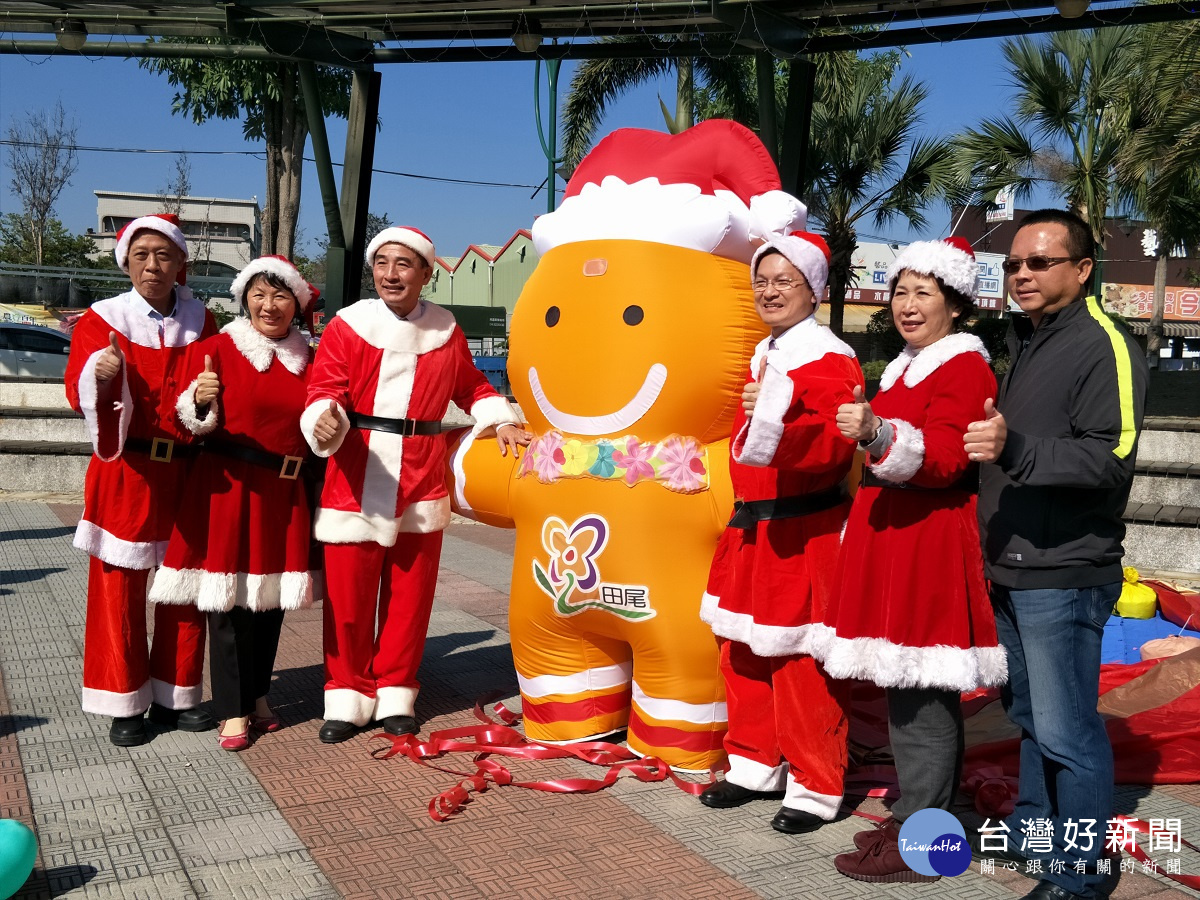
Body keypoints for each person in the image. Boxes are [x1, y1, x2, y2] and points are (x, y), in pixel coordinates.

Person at [964, 209, 1148, 900]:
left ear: (1082, 269)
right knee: (1031, 716)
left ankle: (1080, 871)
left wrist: (1015, 450)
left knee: (1069, 729)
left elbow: (1114, 456)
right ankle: (1035, 826)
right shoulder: (1031, 340)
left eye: (1040, 262)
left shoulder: (1105, 344)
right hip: (1011, 566)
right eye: (1014, 263)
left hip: (1065, 570)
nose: (1023, 274)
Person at [812, 237, 1006, 882]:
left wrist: (878, 433)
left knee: (921, 691)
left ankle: (928, 837)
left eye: (923, 292)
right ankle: (925, 818)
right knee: (906, 690)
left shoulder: (961, 366)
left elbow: (951, 457)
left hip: (924, 543)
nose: (907, 304)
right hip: (895, 539)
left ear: (955, 303)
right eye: (900, 291)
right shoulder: (908, 364)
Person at [301, 226, 528, 744]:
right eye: (381, 263)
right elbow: (324, 387)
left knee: (410, 595)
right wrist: (323, 418)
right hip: (356, 471)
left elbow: (470, 383)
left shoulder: (446, 328)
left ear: (426, 273)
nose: (390, 273)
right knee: (349, 598)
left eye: (403, 264)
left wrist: (499, 419)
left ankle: (396, 691)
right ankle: (346, 694)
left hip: (421, 474)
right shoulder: (348, 326)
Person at [698, 231, 863, 833]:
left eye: (782, 281)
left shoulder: (828, 358)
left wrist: (771, 420)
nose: (769, 291)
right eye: (761, 281)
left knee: (800, 663)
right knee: (740, 651)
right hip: (753, 529)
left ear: (813, 290)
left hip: (805, 532)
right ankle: (752, 763)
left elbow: (827, 446)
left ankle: (816, 785)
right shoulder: (767, 354)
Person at [149, 256, 318, 751]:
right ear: (244, 299)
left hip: (284, 492)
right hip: (227, 487)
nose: (269, 305)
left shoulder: (309, 358)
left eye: (281, 295)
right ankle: (231, 709)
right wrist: (200, 399)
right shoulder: (217, 349)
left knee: (269, 603)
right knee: (226, 604)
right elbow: (182, 417)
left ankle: (259, 693)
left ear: (297, 305)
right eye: (259, 295)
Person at [64, 213, 218, 747]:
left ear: (181, 264)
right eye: (141, 255)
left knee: (183, 585)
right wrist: (98, 378)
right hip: (125, 469)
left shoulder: (204, 320)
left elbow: (218, 390)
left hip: (185, 470)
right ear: (126, 261)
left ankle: (176, 692)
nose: (152, 265)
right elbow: (79, 392)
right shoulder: (101, 319)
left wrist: (205, 403)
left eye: (163, 255)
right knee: (118, 589)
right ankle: (123, 700)